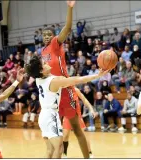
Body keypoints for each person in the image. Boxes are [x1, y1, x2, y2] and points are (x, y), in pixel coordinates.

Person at [25, 56, 110, 158]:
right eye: (44, 63)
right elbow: (77, 80)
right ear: (42, 70)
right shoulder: (54, 81)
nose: (47, 63)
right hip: (51, 116)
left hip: (43, 116)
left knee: (50, 149)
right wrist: (97, 75)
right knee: (59, 149)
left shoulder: (38, 79)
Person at [41, 0, 91, 158]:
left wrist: (70, 8)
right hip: (52, 93)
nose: (47, 37)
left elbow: (68, 28)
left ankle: (87, 157)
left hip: (65, 91)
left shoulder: (56, 44)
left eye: (49, 34)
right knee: (56, 134)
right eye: (45, 35)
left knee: (76, 129)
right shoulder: (43, 52)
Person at [62, 87, 96, 158]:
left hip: (77, 116)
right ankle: (64, 154)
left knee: (83, 136)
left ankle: (89, 153)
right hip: (67, 116)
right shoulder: (61, 91)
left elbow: (85, 100)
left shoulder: (76, 90)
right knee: (65, 136)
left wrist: (91, 109)